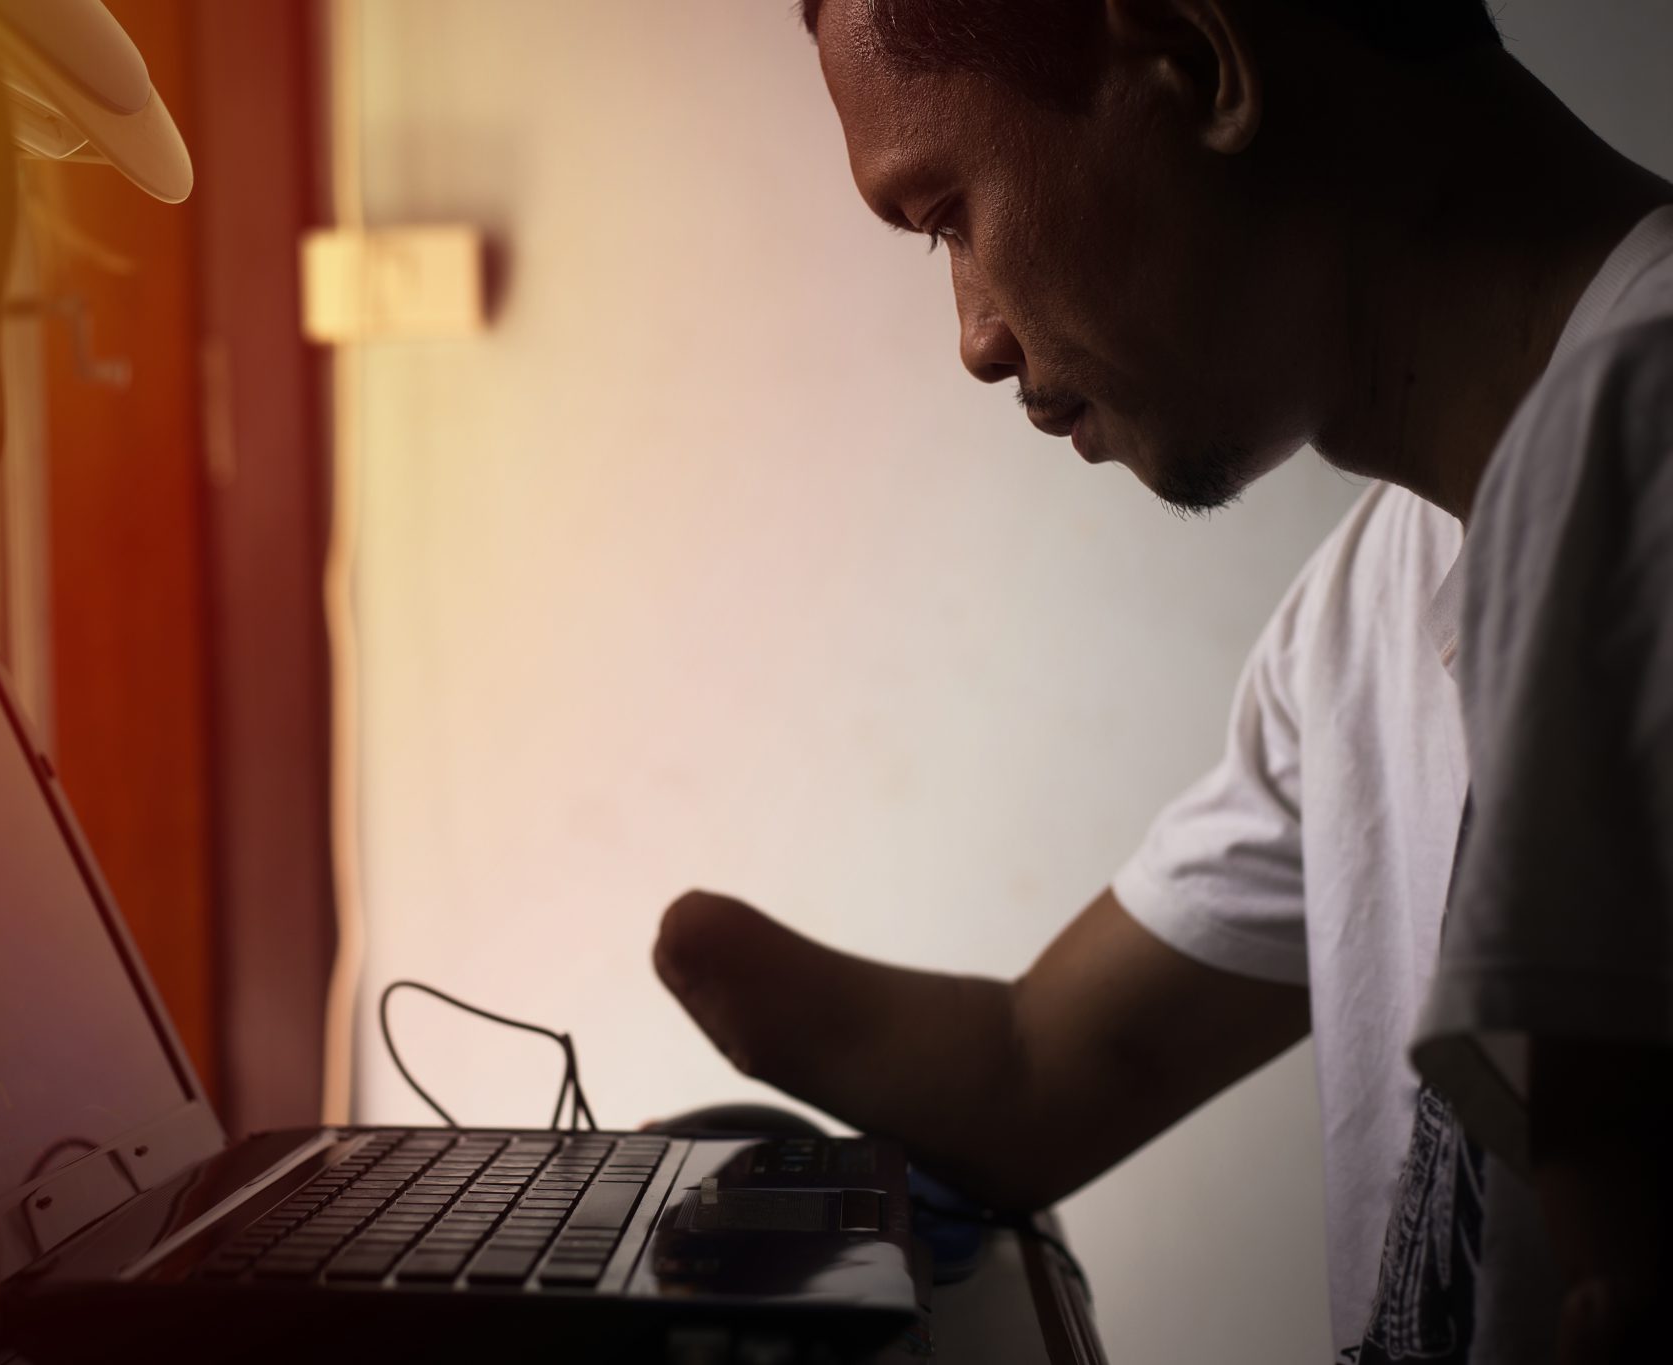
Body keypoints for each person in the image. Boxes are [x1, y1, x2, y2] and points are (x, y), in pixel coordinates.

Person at [651, 2, 1673, 1361]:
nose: (975, 336)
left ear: (1200, 62)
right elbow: (1043, 1070)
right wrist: (686, 988)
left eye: (948, 212)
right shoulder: (1367, 605)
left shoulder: (1651, 445)